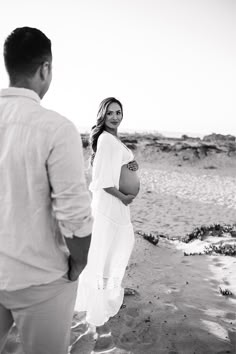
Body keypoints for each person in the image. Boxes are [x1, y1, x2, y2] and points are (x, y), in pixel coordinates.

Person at [0, 27, 93, 354]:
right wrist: (79, 261)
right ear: (45, 68)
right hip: (41, 279)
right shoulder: (56, 128)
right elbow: (74, 214)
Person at [75, 97, 140, 352]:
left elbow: (119, 168)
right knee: (105, 254)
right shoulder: (104, 138)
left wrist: (131, 165)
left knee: (119, 249)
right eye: (111, 113)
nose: (115, 116)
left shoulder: (114, 139)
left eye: (119, 112)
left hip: (117, 207)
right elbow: (101, 179)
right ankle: (98, 311)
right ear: (103, 115)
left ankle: (108, 296)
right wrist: (123, 196)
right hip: (109, 207)